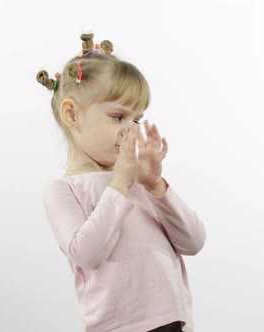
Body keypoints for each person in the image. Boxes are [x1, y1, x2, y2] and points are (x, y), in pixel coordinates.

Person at [39, 33, 206, 332]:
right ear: (71, 114)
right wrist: (119, 184)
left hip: (172, 322)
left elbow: (193, 242)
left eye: (137, 120)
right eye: (118, 117)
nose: (130, 130)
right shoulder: (63, 191)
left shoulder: (140, 182)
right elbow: (88, 254)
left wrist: (155, 186)